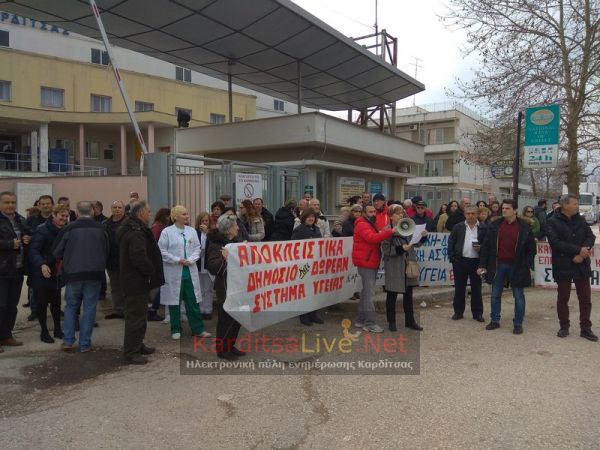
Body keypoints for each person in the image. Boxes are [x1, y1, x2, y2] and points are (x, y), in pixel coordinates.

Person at [53, 201, 109, 352]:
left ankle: (68, 340)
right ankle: (85, 343)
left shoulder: (68, 228)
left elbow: (57, 252)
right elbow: (108, 251)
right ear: (92, 212)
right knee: (90, 307)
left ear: (76, 213)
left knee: (71, 306)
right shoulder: (102, 228)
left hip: (73, 274)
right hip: (95, 273)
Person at [117, 200, 165, 364]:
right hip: (136, 281)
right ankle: (131, 352)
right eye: (148, 211)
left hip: (136, 280)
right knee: (135, 317)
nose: (150, 214)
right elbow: (138, 257)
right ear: (140, 213)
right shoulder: (135, 232)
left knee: (140, 315)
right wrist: (150, 271)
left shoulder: (133, 228)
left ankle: (138, 344)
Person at [477, 199, 535, 334]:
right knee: (495, 294)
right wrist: (482, 265)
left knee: (518, 295)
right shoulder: (495, 225)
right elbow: (486, 246)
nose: (504, 210)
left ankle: (518, 323)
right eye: (503, 208)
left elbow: (531, 249)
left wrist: (527, 263)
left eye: (507, 208)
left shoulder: (524, 227)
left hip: (517, 266)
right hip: (498, 265)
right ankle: (495, 320)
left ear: (515, 210)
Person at [547, 194, 597, 341]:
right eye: (575, 203)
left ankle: (586, 328)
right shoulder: (552, 222)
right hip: (563, 265)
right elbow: (555, 243)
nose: (577, 206)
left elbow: (591, 237)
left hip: (581, 264)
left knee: (585, 298)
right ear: (565, 205)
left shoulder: (580, 220)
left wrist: (582, 254)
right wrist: (577, 250)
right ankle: (564, 326)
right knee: (563, 298)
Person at [158, 205, 210, 340]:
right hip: (174, 271)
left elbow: (197, 248)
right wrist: (178, 260)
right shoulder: (167, 232)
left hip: (190, 270)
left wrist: (190, 260)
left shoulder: (191, 231)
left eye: (187, 214)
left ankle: (198, 329)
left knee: (193, 301)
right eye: (184, 214)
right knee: (174, 301)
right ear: (175, 217)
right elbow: (162, 251)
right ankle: (175, 328)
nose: (187, 216)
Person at [28, 204, 69, 343]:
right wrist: (42, 264)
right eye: (61, 216)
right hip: (42, 272)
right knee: (42, 304)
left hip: (56, 273)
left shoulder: (65, 230)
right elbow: (33, 250)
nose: (64, 218)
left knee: (56, 303)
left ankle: (57, 329)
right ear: (54, 215)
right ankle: (44, 331)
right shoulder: (42, 230)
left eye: (66, 216)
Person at [352, 204, 395, 333]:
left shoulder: (369, 224)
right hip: (367, 262)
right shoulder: (362, 224)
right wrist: (390, 232)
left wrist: (384, 232)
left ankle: (361, 319)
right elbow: (372, 238)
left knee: (366, 292)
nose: (373, 213)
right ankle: (369, 323)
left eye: (374, 211)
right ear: (364, 213)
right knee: (369, 294)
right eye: (370, 211)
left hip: (369, 261)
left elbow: (374, 236)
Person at [207, 214, 244, 360]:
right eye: (235, 226)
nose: (238, 228)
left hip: (237, 286)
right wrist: (225, 257)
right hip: (225, 287)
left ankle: (230, 346)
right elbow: (213, 267)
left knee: (236, 319)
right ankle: (222, 350)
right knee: (226, 319)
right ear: (229, 229)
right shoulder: (217, 245)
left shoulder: (234, 242)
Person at [382, 204, 424, 331]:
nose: (400, 215)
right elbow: (386, 249)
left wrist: (423, 236)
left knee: (408, 295)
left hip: (408, 264)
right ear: (390, 216)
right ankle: (391, 322)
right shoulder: (387, 229)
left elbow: (416, 243)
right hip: (395, 266)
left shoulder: (407, 226)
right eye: (397, 213)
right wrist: (400, 249)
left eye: (401, 213)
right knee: (392, 295)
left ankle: (410, 321)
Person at [0, 191, 32, 350]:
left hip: (17, 269)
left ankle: (6, 335)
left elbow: (28, 233)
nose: (10, 205)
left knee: (12, 305)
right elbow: (8, 242)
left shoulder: (20, 219)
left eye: (13, 202)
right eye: (7, 202)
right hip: (2, 270)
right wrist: (8, 244)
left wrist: (27, 238)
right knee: (1, 305)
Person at [448, 206, 484, 322]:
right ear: (464, 214)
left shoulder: (484, 228)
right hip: (460, 261)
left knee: (476, 289)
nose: (470, 215)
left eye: (473, 213)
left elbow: (489, 245)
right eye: (468, 213)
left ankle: (477, 313)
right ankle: (458, 312)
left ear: (477, 214)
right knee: (459, 288)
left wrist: (481, 249)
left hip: (476, 262)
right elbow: (451, 242)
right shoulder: (458, 227)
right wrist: (452, 258)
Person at [291, 209, 324, 326]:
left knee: (314, 290)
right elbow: (293, 248)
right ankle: (304, 316)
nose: (311, 219)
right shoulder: (298, 230)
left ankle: (313, 314)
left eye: (313, 217)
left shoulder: (317, 229)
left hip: (315, 264)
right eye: (309, 217)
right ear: (304, 218)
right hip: (303, 265)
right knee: (304, 291)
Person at [103, 201, 127, 319]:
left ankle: (128, 310)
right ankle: (118, 310)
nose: (117, 209)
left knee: (127, 286)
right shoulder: (105, 224)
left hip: (126, 260)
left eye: (119, 207)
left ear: (123, 209)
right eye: (115, 207)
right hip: (111, 260)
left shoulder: (129, 223)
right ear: (111, 209)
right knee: (115, 287)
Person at [195, 212, 214, 320]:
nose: (204, 223)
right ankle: (201, 309)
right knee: (200, 289)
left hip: (207, 264)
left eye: (206, 221)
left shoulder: (212, 233)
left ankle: (208, 309)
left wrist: (208, 233)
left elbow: (214, 244)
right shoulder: (195, 232)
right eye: (202, 221)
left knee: (208, 289)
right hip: (198, 263)